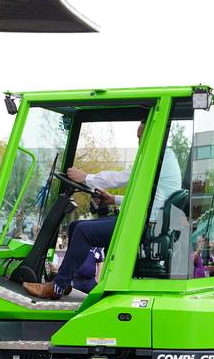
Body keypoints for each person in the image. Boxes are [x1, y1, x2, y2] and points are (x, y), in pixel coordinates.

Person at [24, 119, 181, 299]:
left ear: (154, 135)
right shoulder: (164, 157)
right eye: (137, 138)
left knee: (83, 231)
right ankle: (64, 281)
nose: (139, 142)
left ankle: (57, 287)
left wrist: (86, 177)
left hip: (143, 226)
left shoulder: (157, 157)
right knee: (75, 226)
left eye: (141, 137)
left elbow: (121, 178)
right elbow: (149, 199)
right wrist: (113, 199)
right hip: (146, 222)